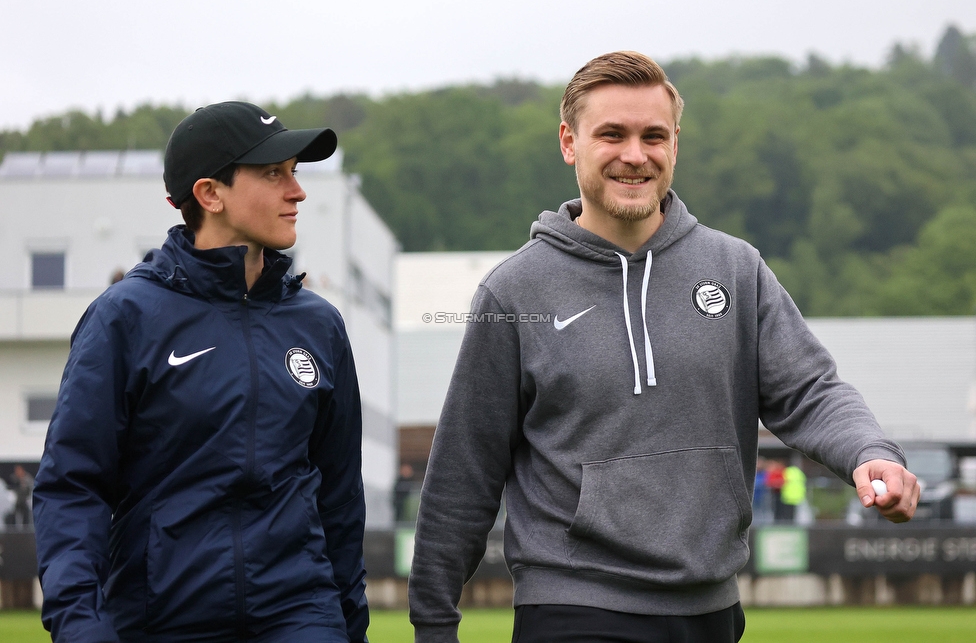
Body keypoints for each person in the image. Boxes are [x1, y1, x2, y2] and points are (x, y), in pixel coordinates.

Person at [408, 51, 920, 643]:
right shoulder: (514, 290)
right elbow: (465, 469)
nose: (635, 154)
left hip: (710, 610)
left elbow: (810, 392)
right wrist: (433, 623)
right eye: (612, 134)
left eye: (654, 135)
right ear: (569, 143)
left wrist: (869, 451)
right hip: (572, 606)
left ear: (675, 144)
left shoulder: (736, 270)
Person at [33, 102, 369, 642]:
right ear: (210, 194)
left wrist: (348, 626)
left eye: (295, 173)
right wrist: (80, 627)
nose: (297, 191)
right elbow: (73, 486)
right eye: (272, 174)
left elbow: (340, 498)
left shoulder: (319, 325)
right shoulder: (124, 318)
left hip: (300, 616)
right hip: (160, 619)